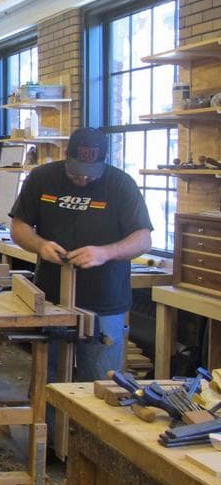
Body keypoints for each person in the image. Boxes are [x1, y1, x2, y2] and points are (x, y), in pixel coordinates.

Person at [9, 127, 152, 382]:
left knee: (101, 384)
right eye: (76, 173)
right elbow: (19, 228)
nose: (83, 180)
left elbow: (142, 240)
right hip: (51, 300)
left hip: (104, 302)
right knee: (48, 382)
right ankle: (48, 423)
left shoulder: (120, 185)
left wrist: (104, 253)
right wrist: (40, 245)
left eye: (90, 175)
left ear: (103, 161)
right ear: (66, 154)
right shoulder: (42, 178)